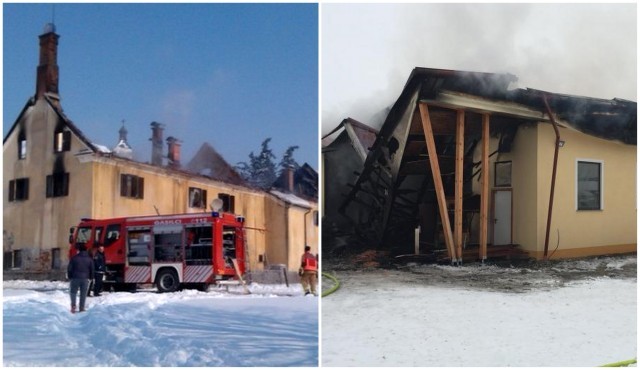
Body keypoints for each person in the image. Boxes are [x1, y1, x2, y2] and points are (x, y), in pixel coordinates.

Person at [67, 245, 94, 313]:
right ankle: (81, 308)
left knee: (73, 292)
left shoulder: (74, 258)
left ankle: (73, 305)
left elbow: (69, 268)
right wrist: (91, 277)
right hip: (85, 278)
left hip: (75, 277)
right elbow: (92, 269)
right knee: (83, 293)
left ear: (79, 250)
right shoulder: (89, 259)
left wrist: (70, 276)